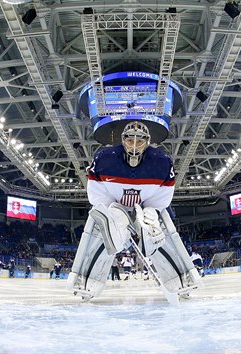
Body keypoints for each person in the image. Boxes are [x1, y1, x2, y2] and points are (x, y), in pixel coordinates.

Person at [69, 121, 201, 301]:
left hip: (147, 204)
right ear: (123, 140)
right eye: (130, 140)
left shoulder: (162, 161)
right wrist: (113, 211)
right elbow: (96, 193)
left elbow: (163, 195)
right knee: (105, 226)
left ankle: (181, 281)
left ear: (147, 142)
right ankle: (86, 283)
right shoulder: (104, 158)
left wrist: (151, 211)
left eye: (139, 142)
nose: (134, 146)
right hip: (114, 203)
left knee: (154, 229)